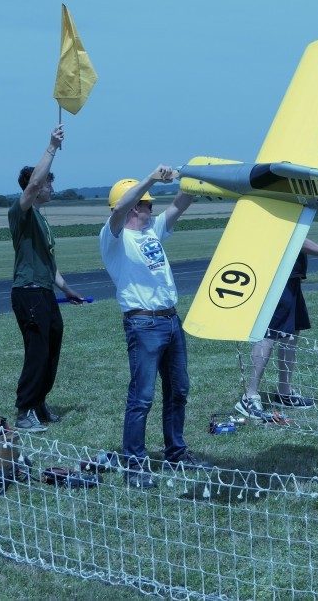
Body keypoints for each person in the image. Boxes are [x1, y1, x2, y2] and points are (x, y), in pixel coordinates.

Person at [100, 167, 211, 489]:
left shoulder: (153, 230)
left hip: (171, 320)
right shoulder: (113, 237)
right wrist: (149, 178)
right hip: (143, 322)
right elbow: (119, 209)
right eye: (148, 203)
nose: (152, 209)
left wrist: (197, 176)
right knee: (142, 397)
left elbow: (180, 204)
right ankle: (134, 466)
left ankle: (175, 453)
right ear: (137, 205)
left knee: (179, 390)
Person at [235, 239, 318, 422]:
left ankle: (284, 393)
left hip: (291, 276)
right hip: (276, 276)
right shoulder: (278, 211)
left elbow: (297, 240)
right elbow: (291, 239)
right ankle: (249, 396)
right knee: (269, 333)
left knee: (291, 332)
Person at [8, 124, 85, 433]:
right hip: (28, 293)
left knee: (51, 348)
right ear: (35, 187)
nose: (52, 188)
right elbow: (34, 181)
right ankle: (24, 411)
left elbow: (50, 266)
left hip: (44, 293)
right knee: (37, 351)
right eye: (48, 184)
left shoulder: (42, 220)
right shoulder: (21, 212)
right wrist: (52, 146)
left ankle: (39, 402)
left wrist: (69, 290)